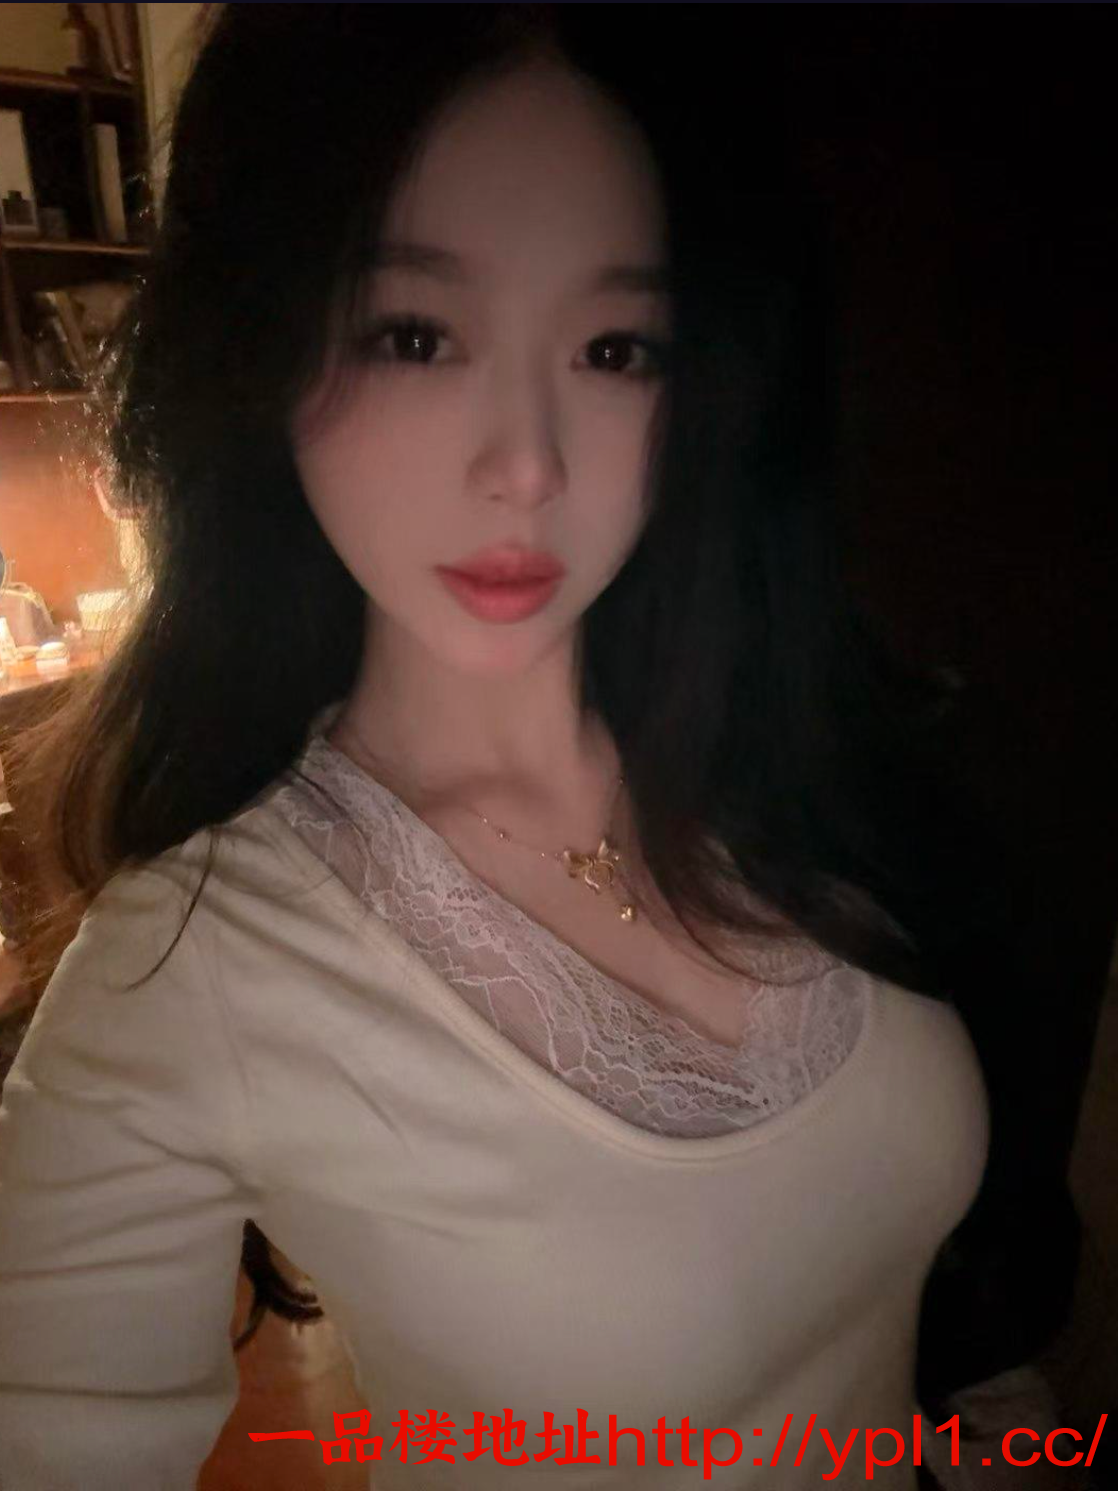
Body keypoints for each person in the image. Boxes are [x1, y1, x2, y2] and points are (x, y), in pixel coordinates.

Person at [0, 7, 1076, 1489]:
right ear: (261, 351)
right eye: (415, 335)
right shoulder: (193, 964)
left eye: (614, 348)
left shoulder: (770, 749)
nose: (526, 464)